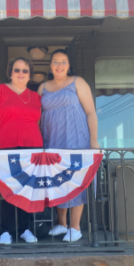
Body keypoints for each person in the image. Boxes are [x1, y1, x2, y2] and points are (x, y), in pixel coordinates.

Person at [38, 49, 99, 242]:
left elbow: (90, 112)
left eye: (63, 62)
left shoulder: (77, 82)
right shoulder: (42, 88)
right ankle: (61, 224)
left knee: (76, 179)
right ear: (50, 66)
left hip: (77, 138)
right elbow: (36, 117)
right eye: (55, 62)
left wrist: (93, 140)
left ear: (68, 65)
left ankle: (75, 227)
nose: (59, 65)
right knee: (58, 180)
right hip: (52, 140)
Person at [0, 57, 43, 245]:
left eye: (25, 71)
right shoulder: (0, 90)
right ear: (10, 72)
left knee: (28, 190)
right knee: (8, 189)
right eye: (17, 70)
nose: (21, 73)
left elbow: (38, 123)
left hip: (32, 149)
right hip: (6, 148)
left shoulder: (35, 97)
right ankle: (6, 231)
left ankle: (25, 229)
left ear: (30, 75)